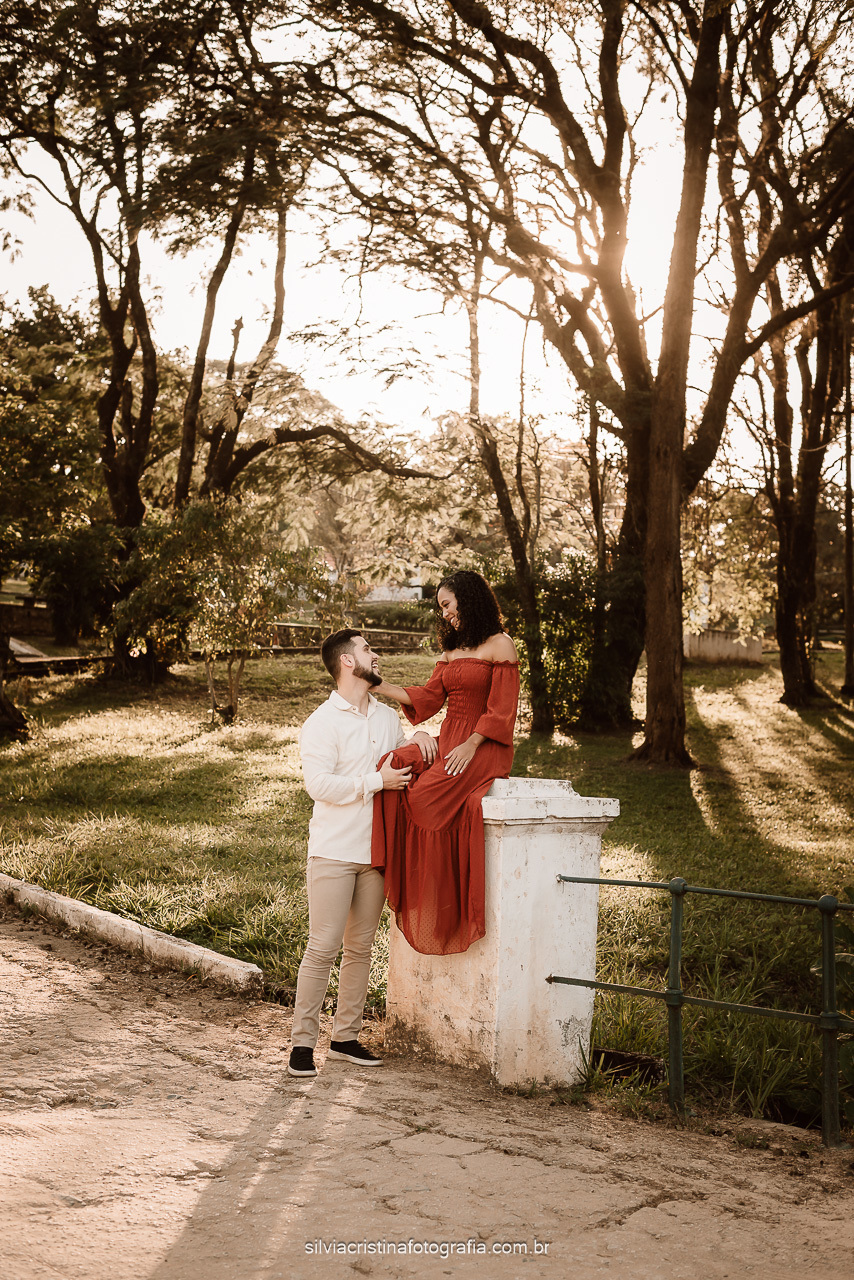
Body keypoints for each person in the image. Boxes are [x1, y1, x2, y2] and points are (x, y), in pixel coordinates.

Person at [288, 628, 438, 1079]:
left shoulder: (387, 718)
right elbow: (319, 786)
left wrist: (425, 732)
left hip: (375, 852)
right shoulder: (322, 723)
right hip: (333, 852)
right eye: (368, 649)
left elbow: (404, 755)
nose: (377, 655)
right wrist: (375, 783)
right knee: (322, 947)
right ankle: (301, 1045)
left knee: (360, 949)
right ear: (348, 663)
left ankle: (345, 1037)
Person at [372, 570, 519, 956]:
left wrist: (472, 744)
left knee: (423, 797)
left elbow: (503, 710)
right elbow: (429, 698)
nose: (445, 615)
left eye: (447, 605)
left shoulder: (501, 645)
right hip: (451, 737)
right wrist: (380, 685)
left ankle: (436, 893)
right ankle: (402, 871)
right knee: (397, 761)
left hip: (484, 745)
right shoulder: (451, 651)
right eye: (441, 609)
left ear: (467, 599)